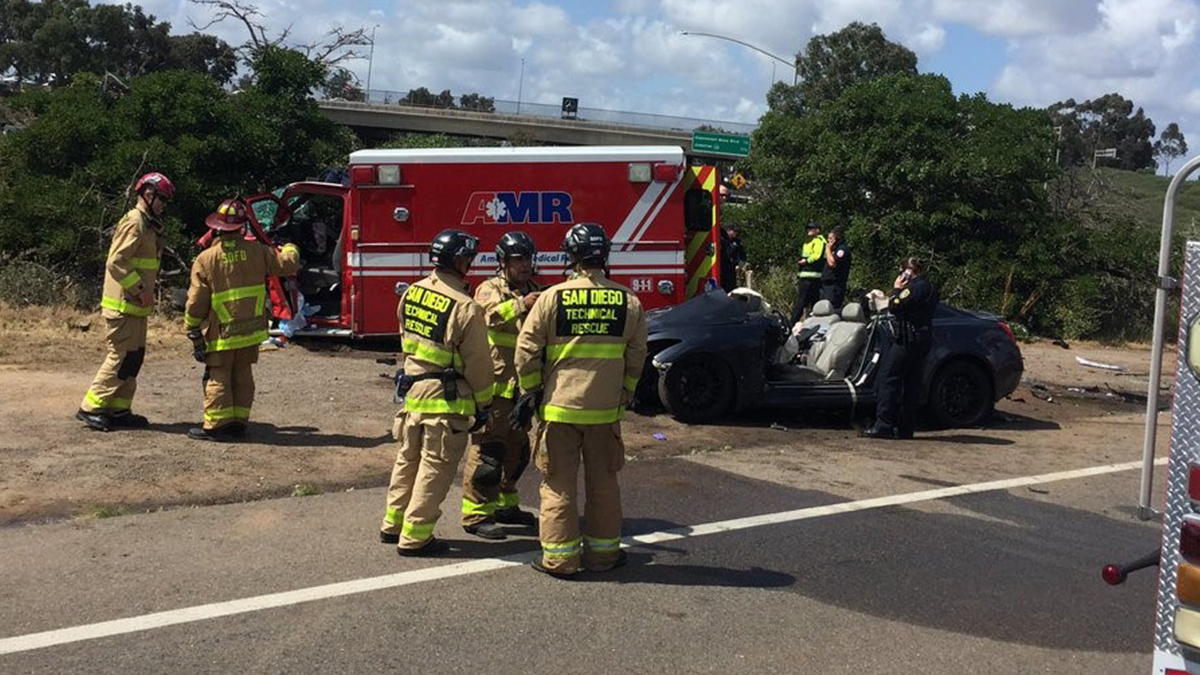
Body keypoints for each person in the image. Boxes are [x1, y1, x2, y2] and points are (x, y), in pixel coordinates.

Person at [512, 223, 648, 579]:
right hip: (605, 413)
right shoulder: (628, 300)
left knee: (558, 484)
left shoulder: (551, 297)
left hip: (559, 409)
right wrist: (625, 392)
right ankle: (603, 557)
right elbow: (637, 356)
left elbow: (526, 350)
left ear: (571, 256)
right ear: (604, 256)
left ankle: (559, 560)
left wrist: (532, 390)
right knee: (604, 483)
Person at [379, 230, 494, 556]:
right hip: (446, 401)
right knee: (434, 469)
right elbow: (479, 367)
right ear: (460, 261)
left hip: (413, 395)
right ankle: (416, 538)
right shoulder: (465, 307)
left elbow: (406, 338)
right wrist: (484, 403)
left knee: (407, 462)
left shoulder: (412, 293)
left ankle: (393, 525)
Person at [183, 199, 301, 441]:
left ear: (216, 227)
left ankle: (217, 426)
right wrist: (289, 246)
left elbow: (196, 301)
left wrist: (192, 328)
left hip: (222, 331)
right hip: (251, 330)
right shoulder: (258, 251)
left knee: (219, 376)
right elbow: (288, 264)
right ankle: (238, 423)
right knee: (243, 374)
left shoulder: (206, 259)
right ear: (242, 227)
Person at [459, 231, 542, 540]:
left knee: (518, 451)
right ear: (503, 262)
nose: (525, 265)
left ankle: (506, 506)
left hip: (523, 388)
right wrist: (521, 304)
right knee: (488, 451)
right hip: (497, 385)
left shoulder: (535, 290)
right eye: (518, 260)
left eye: (528, 259)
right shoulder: (489, 289)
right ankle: (476, 514)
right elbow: (488, 316)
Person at [77, 172, 175, 432]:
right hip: (123, 305)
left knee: (134, 358)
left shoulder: (148, 223)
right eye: (162, 198)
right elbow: (116, 261)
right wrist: (140, 288)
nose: (164, 204)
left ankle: (118, 409)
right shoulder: (134, 222)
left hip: (136, 306)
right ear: (148, 194)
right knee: (120, 357)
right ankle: (91, 407)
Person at [863, 257, 939, 441]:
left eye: (902, 272)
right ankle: (906, 428)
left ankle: (884, 425)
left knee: (889, 377)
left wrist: (897, 288)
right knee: (912, 383)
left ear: (909, 271)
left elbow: (895, 305)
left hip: (908, 339)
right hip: (922, 338)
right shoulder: (930, 287)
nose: (901, 275)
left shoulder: (914, 288)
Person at [790, 222, 826, 325]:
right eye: (808, 228)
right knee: (812, 302)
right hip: (805, 275)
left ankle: (791, 324)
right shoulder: (808, 241)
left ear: (818, 230)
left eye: (811, 228)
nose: (808, 230)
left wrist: (806, 261)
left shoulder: (819, 241)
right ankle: (813, 324)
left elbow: (817, 256)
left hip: (812, 276)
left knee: (801, 302)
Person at [820, 226, 852, 309]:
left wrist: (827, 249)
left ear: (837, 238)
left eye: (831, 238)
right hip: (826, 285)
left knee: (831, 308)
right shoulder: (833, 250)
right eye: (828, 238)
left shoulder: (842, 250)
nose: (828, 241)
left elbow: (832, 263)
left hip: (835, 286)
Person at [720, 226, 747, 293]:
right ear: (729, 230)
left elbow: (742, 255)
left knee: (731, 286)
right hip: (722, 266)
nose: (736, 234)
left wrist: (740, 264)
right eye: (735, 232)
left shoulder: (737, 243)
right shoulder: (722, 240)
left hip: (732, 268)